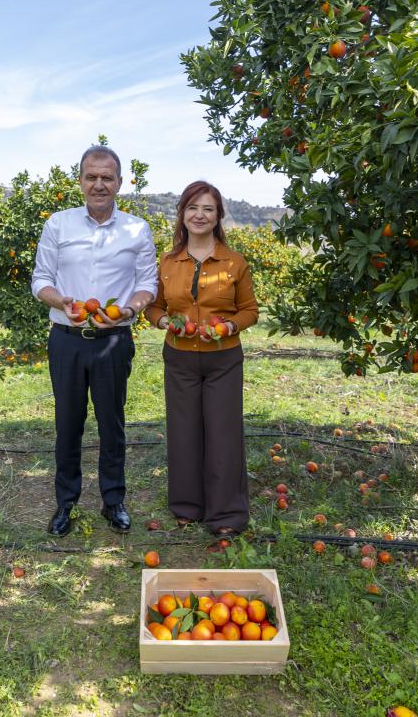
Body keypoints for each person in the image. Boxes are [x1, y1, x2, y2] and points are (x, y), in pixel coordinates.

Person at [31, 145, 158, 536]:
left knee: (111, 423)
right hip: (66, 338)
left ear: (119, 182)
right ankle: (65, 503)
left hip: (113, 340)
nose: (99, 184)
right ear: (81, 181)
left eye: (107, 177)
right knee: (68, 423)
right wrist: (60, 301)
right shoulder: (58, 224)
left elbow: (147, 284)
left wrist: (129, 310)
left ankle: (113, 500)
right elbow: (41, 279)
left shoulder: (137, 229)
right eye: (92, 177)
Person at [144, 181, 258, 538]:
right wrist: (164, 321)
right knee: (183, 433)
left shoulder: (234, 262)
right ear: (182, 213)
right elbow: (154, 306)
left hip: (223, 360)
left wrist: (228, 327)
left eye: (208, 209)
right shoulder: (168, 262)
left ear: (218, 216)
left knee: (224, 434)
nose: (200, 215)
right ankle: (187, 506)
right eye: (193, 208)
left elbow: (250, 310)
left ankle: (226, 514)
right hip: (179, 358)